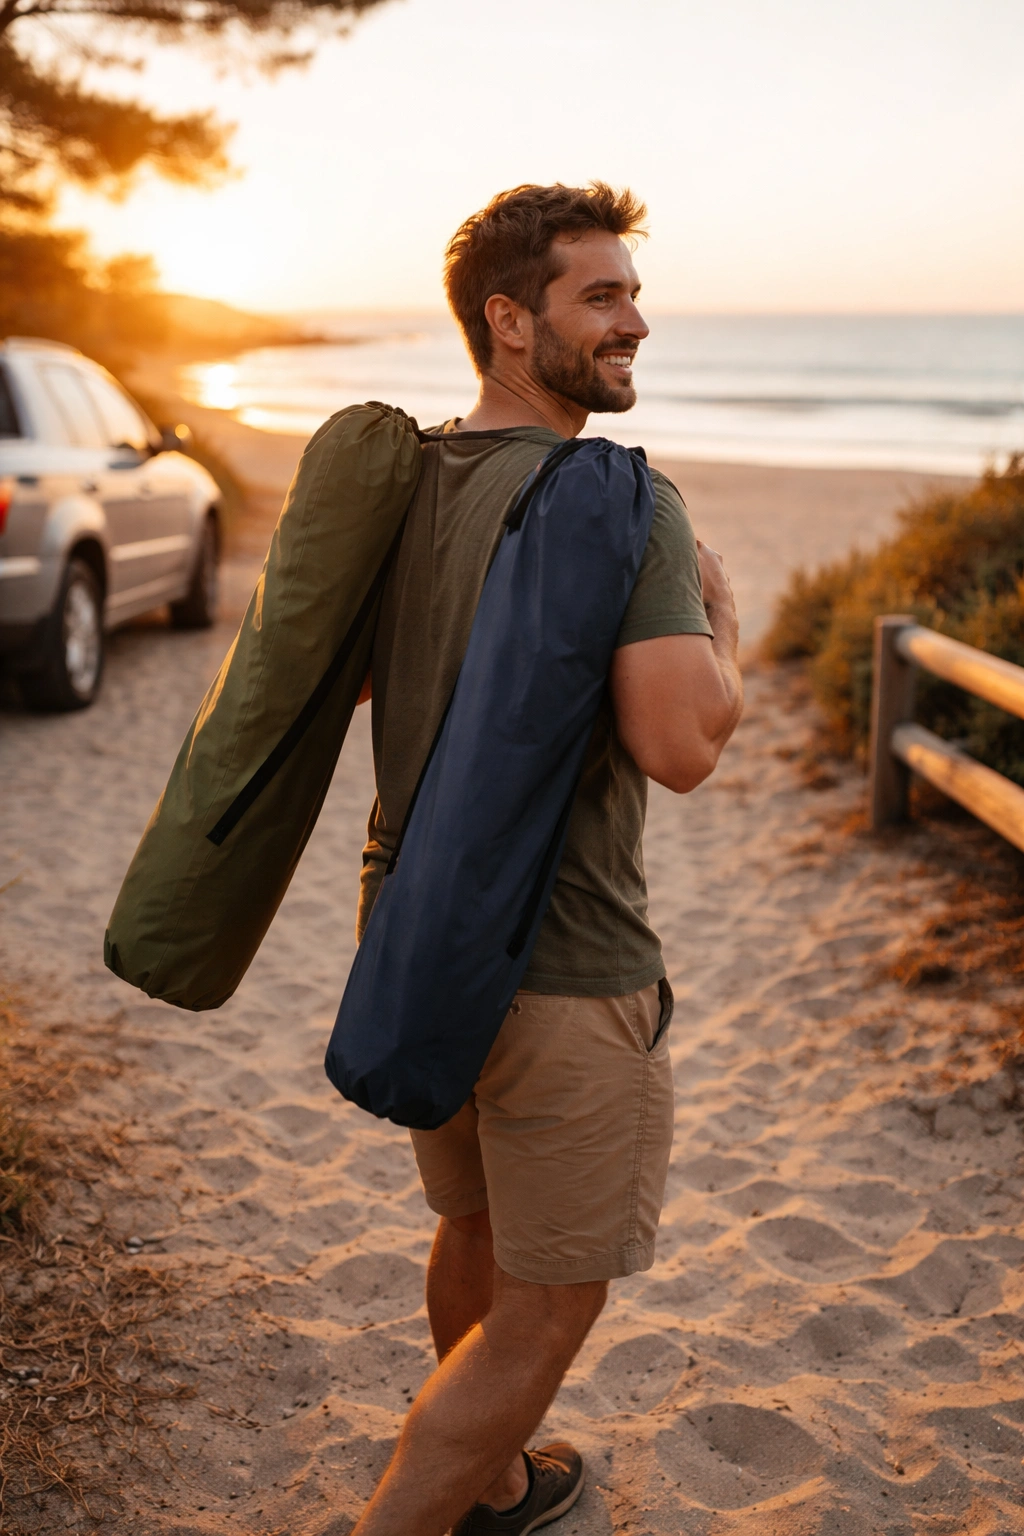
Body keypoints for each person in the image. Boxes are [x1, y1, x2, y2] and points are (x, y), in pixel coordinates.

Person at [349, 182, 742, 1536]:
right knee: (548, 1309)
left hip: (408, 929)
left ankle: (498, 1487)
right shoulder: (622, 500)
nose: (636, 320)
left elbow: (338, 681)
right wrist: (726, 640)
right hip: (565, 960)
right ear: (509, 323)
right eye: (601, 296)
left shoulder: (397, 489)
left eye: (632, 291)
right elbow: (680, 745)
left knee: (474, 1236)